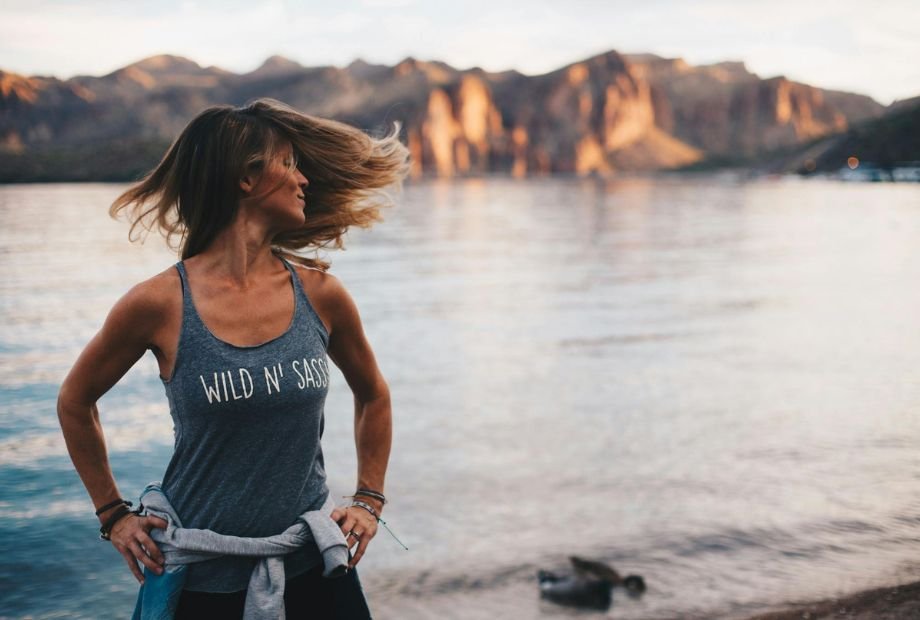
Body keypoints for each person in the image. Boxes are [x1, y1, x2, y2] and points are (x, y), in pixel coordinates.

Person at [56, 97, 410, 619]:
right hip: (202, 583)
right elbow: (74, 401)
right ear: (246, 179)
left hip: (314, 568)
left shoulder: (321, 294)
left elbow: (374, 393)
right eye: (288, 164)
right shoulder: (158, 303)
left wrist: (369, 500)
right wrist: (114, 515)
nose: (303, 179)